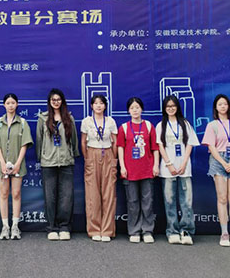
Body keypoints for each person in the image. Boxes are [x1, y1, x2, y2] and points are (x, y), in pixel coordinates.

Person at [202, 94, 230, 247]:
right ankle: (224, 233)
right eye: (220, 104)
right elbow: (211, 146)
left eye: (225, 104)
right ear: (215, 107)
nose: (223, 106)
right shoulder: (212, 125)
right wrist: (223, 162)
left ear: (229, 106)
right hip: (218, 161)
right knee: (222, 199)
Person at [0, 93, 33, 240]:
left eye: (13, 103)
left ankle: (15, 227)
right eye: (8, 103)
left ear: (17, 104)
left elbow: (25, 144)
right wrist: (2, 163)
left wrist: (18, 163)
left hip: (18, 164)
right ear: (4, 105)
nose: (11, 105)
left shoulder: (23, 123)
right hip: (1, 165)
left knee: (16, 194)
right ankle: (5, 227)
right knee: (3, 193)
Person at [36, 88, 79, 241]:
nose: (56, 102)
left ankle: (64, 227)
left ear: (62, 101)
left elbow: (74, 139)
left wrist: (73, 155)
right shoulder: (43, 118)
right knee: (50, 197)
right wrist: (41, 157)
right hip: (48, 162)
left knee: (66, 197)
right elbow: (39, 140)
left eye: (58, 99)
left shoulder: (69, 118)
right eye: (53, 100)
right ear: (49, 101)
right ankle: (52, 227)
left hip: (66, 161)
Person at [156, 95, 199, 245]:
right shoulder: (161, 125)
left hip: (184, 168)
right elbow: (160, 146)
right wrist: (169, 164)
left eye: (173, 106)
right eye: (168, 106)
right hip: (167, 169)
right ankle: (172, 231)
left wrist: (184, 163)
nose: (171, 108)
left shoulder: (185, 123)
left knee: (187, 201)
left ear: (177, 107)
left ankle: (186, 230)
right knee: (169, 201)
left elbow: (190, 143)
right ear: (164, 108)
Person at [117, 97, 159, 244]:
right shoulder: (124, 128)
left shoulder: (149, 126)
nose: (135, 110)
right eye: (132, 108)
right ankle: (134, 231)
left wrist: (156, 165)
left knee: (148, 201)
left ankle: (147, 230)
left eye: (137, 107)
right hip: (130, 171)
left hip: (147, 170)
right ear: (128, 111)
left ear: (142, 109)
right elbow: (120, 148)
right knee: (132, 202)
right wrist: (122, 167)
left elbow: (155, 148)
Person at [80, 95, 118, 242]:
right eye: (95, 103)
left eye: (101, 103)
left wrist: (114, 159)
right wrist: (87, 158)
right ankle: (94, 229)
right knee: (92, 194)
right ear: (91, 106)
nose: (98, 106)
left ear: (105, 106)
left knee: (109, 193)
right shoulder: (86, 121)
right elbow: (83, 142)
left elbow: (115, 142)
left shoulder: (111, 121)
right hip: (92, 153)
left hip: (107, 153)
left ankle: (107, 230)